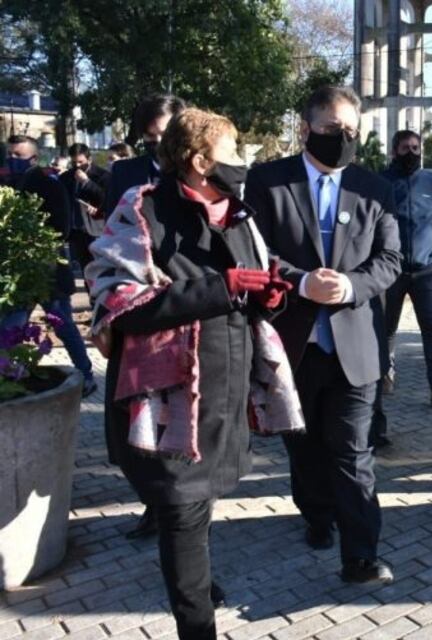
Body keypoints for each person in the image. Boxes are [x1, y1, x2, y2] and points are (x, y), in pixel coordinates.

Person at [86, 108, 302, 639]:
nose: (242, 162)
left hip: (225, 396)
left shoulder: (239, 212)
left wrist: (268, 299)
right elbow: (118, 302)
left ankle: (198, 585)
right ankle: (196, 624)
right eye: (233, 153)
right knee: (182, 511)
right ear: (200, 160)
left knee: (198, 508)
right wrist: (221, 286)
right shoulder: (144, 210)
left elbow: (250, 292)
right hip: (170, 400)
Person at [246, 85, 400, 584]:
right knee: (304, 445)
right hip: (292, 342)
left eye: (352, 130)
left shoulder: (375, 188)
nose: (345, 138)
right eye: (334, 129)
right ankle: (315, 514)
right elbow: (253, 253)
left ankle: (362, 555)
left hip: (355, 343)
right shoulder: (268, 183)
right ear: (306, 128)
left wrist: (352, 285)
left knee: (353, 449)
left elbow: (391, 260)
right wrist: (301, 281)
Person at [104, 94, 186, 541]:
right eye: (150, 138)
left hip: (186, 306)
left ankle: (181, 504)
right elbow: (113, 239)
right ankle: (153, 502)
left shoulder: (200, 169)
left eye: (166, 136)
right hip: (138, 308)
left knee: (178, 414)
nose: (159, 146)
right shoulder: (124, 173)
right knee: (135, 417)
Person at [2, 135, 97, 397]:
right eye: (10, 154)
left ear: (33, 158)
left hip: (48, 273)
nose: (12, 160)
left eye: (18, 155)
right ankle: (10, 376)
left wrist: (32, 240)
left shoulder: (48, 185)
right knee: (10, 327)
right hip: (20, 272)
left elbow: (62, 227)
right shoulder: (8, 183)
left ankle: (86, 375)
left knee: (61, 323)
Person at [379, 130, 432, 406]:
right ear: (394, 151)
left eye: (415, 147)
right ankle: (384, 376)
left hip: (426, 270)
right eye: (404, 148)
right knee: (387, 328)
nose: (411, 153)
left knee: (431, 328)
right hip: (392, 271)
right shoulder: (381, 183)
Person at [106, 94, 187, 214]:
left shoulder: (197, 172)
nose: (159, 141)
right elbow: (114, 225)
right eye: (150, 135)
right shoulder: (122, 172)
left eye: (165, 134)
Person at [59, 143, 111, 270]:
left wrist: (86, 183)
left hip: (97, 229)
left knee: (101, 268)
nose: (77, 165)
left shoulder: (103, 176)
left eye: (80, 162)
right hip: (76, 231)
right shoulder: (66, 177)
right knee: (85, 268)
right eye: (74, 162)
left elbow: (106, 199)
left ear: (89, 159)